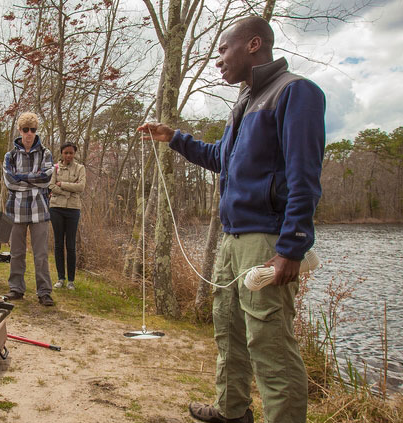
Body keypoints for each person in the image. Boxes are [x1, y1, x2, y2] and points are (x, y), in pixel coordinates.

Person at [138, 16, 326, 423]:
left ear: (254, 44)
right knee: (229, 333)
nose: (218, 59)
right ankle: (232, 411)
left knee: (271, 345)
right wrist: (173, 138)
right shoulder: (243, 102)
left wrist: (292, 247)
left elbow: (304, 177)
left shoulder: (295, 92)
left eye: (224, 49)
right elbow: (219, 158)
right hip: (232, 240)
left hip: (266, 241)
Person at [2, 112, 55, 306]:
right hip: (15, 210)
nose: (29, 133)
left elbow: (46, 179)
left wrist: (22, 177)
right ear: (20, 130)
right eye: (26, 130)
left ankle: (44, 292)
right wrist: (33, 178)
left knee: (40, 254)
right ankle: (16, 288)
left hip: (39, 209)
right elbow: (10, 182)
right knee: (16, 252)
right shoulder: (11, 155)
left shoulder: (45, 153)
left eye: (33, 130)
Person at [48, 142, 85, 290]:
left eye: (71, 153)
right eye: (66, 153)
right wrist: (68, 190)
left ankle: (71, 280)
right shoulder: (55, 168)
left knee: (70, 245)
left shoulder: (80, 168)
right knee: (58, 244)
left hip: (73, 209)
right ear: (62, 153)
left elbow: (81, 187)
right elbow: (50, 186)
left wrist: (62, 184)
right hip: (56, 208)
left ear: (74, 154)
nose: (68, 155)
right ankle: (60, 278)